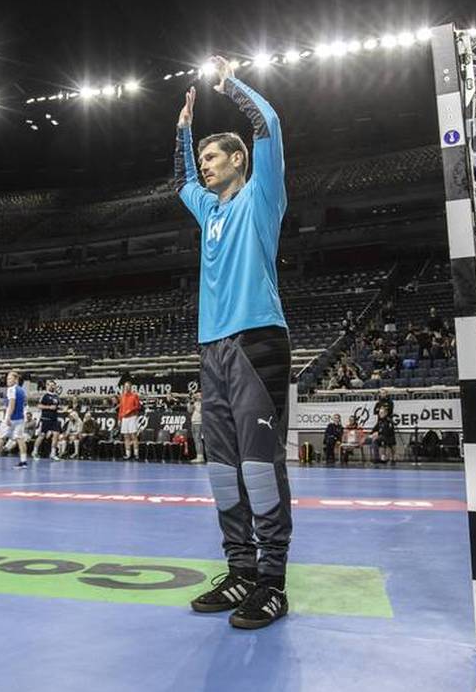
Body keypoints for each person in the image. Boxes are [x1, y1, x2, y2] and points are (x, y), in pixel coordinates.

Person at [174, 56, 293, 629]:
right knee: (222, 469)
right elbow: (182, 182)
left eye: (212, 155)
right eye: (203, 158)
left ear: (238, 159)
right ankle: (241, 569)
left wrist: (229, 85)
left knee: (259, 466)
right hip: (212, 347)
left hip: (257, 340)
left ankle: (273, 581)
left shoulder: (261, 195)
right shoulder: (208, 209)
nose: (204, 164)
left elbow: (267, 120)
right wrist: (183, 132)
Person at [0, 370, 30, 468]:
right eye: (7, 379)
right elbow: (23, 405)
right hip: (20, 418)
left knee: (2, 438)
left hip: (11, 419)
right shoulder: (22, 391)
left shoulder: (11, 389)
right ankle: (23, 462)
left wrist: (8, 417)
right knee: (20, 439)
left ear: (16, 379)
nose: (7, 380)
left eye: (10, 378)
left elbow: (12, 404)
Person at [34, 380, 64, 460]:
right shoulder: (45, 395)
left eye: (53, 385)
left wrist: (60, 408)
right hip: (45, 418)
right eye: (50, 385)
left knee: (56, 435)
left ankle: (53, 454)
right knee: (42, 435)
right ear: (47, 386)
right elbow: (39, 406)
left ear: (55, 386)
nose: (51, 386)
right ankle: (35, 452)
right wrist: (49, 407)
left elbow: (57, 407)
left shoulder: (57, 397)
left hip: (54, 419)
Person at [117, 380, 143, 461]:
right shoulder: (122, 396)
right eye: (125, 386)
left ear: (131, 387)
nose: (127, 387)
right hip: (124, 418)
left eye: (128, 386)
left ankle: (136, 454)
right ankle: (128, 454)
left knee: (133, 436)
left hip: (132, 417)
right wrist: (119, 418)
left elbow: (138, 406)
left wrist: (130, 409)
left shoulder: (135, 396)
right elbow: (121, 408)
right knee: (126, 436)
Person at [188, 390, 204, 463]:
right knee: (195, 440)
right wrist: (191, 403)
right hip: (193, 422)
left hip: (199, 422)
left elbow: (200, 410)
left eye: (198, 395)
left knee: (198, 440)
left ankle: (201, 457)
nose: (197, 396)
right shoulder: (195, 402)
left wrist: (198, 401)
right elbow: (189, 411)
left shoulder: (202, 402)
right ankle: (198, 455)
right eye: (196, 395)